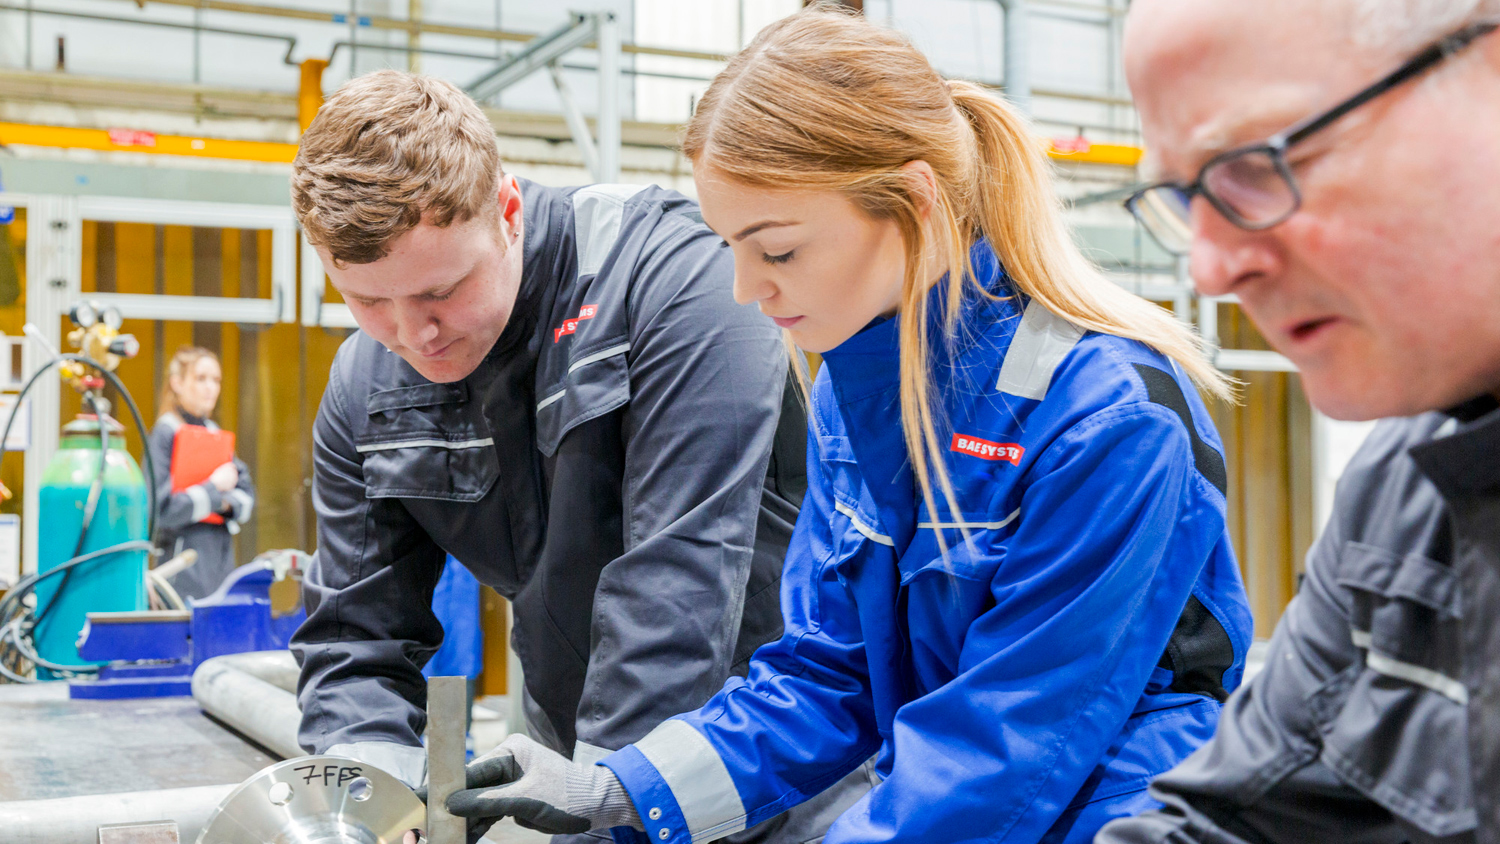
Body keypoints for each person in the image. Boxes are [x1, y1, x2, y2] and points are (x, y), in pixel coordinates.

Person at [429, 8, 1254, 844]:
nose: (748, 289)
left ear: (913, 200)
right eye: (731, 248)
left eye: (777, 251)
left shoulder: (1106, 419)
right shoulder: (857, 396)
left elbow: (1009, 744)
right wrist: (622, 788)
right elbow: (831, 675)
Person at [289, 70, 872, 843]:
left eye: (442, 290)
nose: (412, 334)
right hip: (578, 774)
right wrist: (363, 807)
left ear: (507, 210)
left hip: (776, 781)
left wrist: (611, 804)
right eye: (368, 302)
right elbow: (354, 635)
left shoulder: (678, 285)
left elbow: (674, 593)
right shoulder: (367, 383)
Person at [1094, 2, 1500, 842]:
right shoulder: (1408, 483)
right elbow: (1237, 817)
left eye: (1255, 163)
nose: (1210, 268)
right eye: (1182, 196)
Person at [147, 346, 255, 602]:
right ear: (177, 383)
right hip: (179, 569)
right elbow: (160, 511)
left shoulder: (214, 433)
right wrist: (214, 489)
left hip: (219, 565)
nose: (211, 387)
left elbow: (247, 499)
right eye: (201, 378)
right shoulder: (165, 433)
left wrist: (219, 501)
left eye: (216, 380)